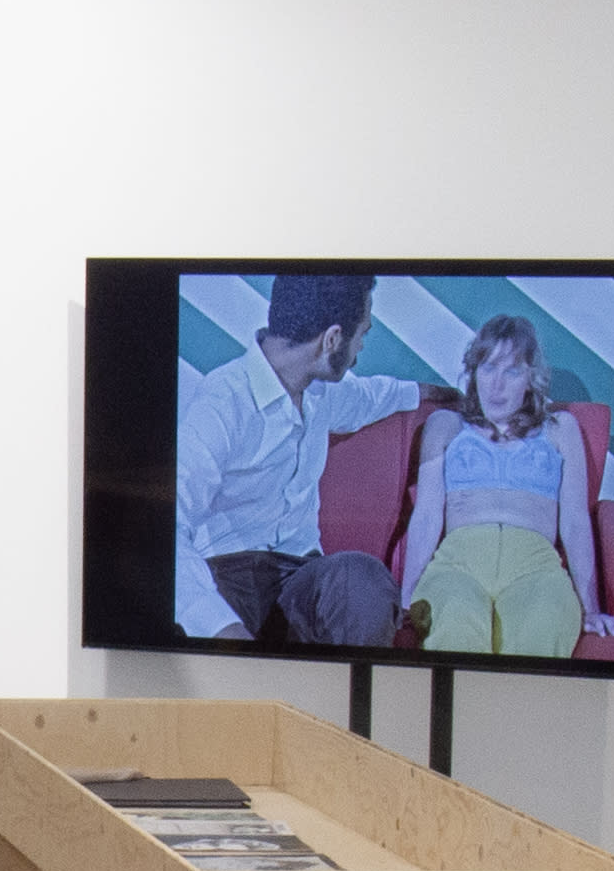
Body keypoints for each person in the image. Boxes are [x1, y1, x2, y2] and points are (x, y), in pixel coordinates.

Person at [172, 270, 425, 642]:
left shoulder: (322, 393)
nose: (360, 350)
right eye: (363, 334)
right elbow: (167, 526)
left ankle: (351, 695)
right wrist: (221, 628)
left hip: (303, 583)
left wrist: (459, 396)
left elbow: (377, 395)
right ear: (333, 339)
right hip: (226, 578)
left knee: (362, 576)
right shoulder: (222, 402)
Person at [392, 312, 614, 659]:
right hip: (457, 564)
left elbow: (575, 521)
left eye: (511, 370)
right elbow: (426, 516)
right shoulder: (446, 426)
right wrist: (406, 599)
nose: (495, 385)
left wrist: (591, 608)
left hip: (536, 567)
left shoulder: (561, 429)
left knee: (542, 626)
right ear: (473, 373)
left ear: (531, 378)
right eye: (487, 368)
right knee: (455, 622)